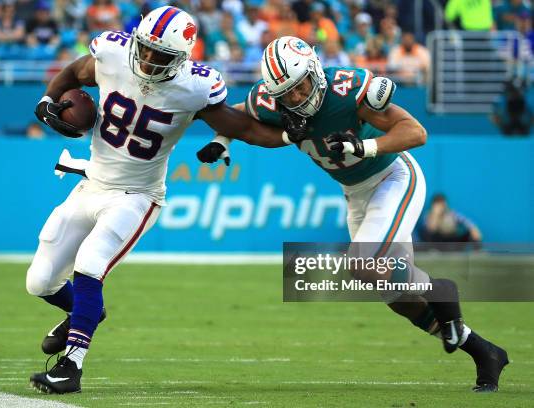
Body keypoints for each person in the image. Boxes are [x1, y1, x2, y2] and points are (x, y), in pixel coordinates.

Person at [197, 35, 509, 393]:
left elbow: (415, 131)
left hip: (394, 176)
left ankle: (442, 291)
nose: (296, 98)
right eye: (287, 94)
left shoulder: (346, 88)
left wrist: (366, 145)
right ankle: (484, 351)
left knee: (361, 262)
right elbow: (237, 117)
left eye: (300, 88)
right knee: (395, 295)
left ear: (314, 72)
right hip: (356, 194)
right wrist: (222, 140)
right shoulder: (274, 99)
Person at [26, 6, 285, 394]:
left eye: (159, 55)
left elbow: (243, 126)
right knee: (40, 281)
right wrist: (48, 100)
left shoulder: (195, 87)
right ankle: (87, 312)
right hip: (92, 184)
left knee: (90, 264)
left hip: (136, 196)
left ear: (180, 58)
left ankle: (71, 367)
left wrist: (290, 137)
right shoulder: (113, 53)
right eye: (144, 49)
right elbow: (72, 74)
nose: (147, 60)